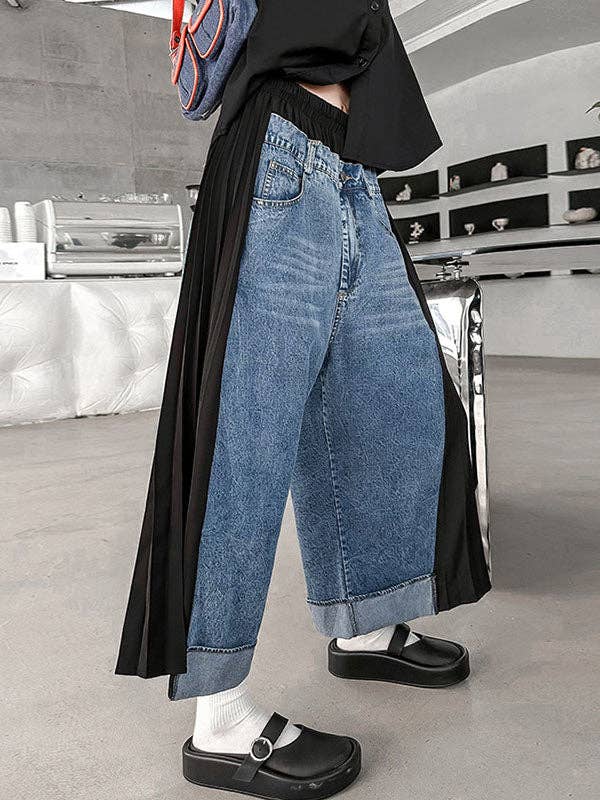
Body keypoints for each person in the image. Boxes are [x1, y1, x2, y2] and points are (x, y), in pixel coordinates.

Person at [116, 2, 491, 797]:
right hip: (276, 153)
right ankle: (220, 719)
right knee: (244, 433)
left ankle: (365, 623)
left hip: (351, 168)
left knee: (391, 398)